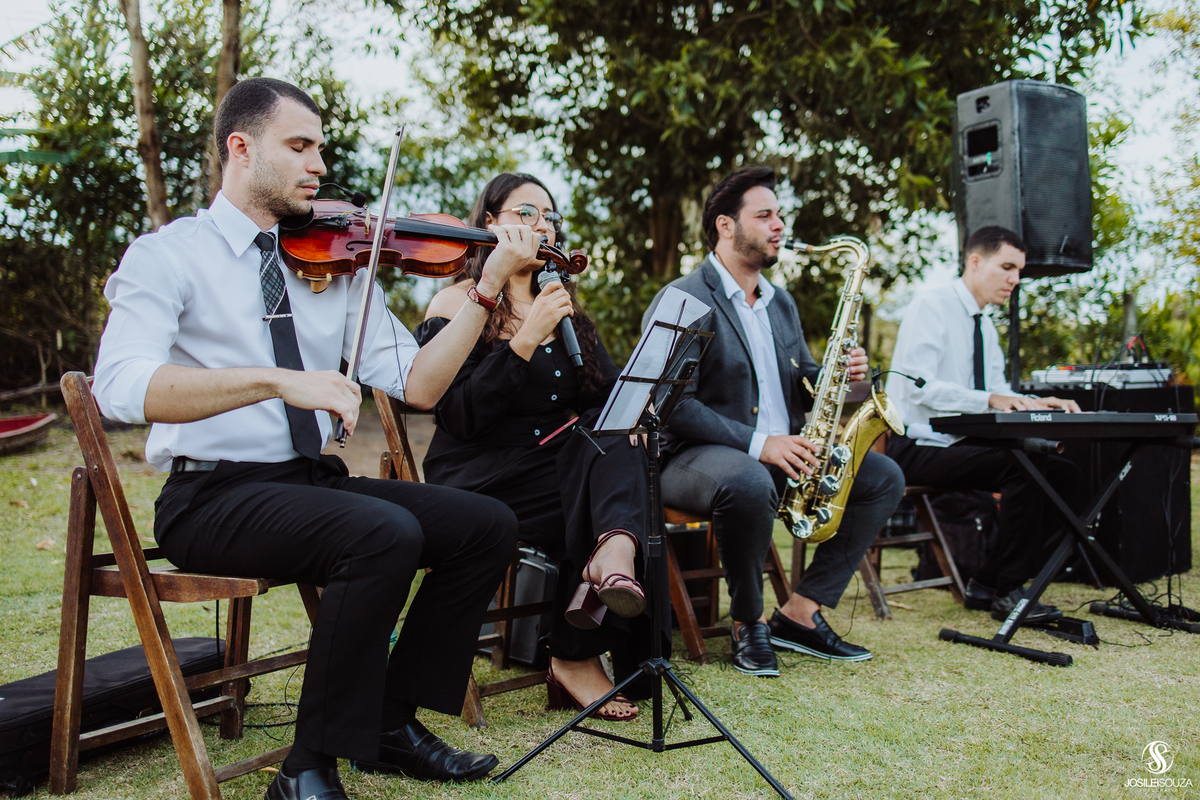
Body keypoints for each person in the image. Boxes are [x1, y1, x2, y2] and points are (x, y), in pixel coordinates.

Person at [93, 78, 534, 800]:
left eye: (320, 148)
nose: (319, 165)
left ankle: (389, 723)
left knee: (484, 524)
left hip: (306, 486)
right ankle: (305, 768)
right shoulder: (169, 255)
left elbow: (421, 385)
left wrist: (485, 288)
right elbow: (121, 386)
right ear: (240, 149)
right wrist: (277, 380)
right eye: (299, 146)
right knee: (383, 533)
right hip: (213, 496)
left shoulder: (331, 262)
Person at [643, 166, 905, 678]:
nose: (778, 225)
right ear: (725, 226)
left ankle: (800, 614)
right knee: (748, 478)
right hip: (691, 457)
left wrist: (846, 378)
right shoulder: (685, 296)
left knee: (881, 478)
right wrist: (761, 444)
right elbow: (670, 402)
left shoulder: (780, 301)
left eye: (779, 214)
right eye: (764, 215)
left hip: (779, 448)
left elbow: (802, 380)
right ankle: (749, 622)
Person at [416, 172, 653, 722]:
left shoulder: (559, 300)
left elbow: (603, 394)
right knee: (602, 485)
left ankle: (608, 564)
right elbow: (461, 416)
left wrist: (630, 418)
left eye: (548, 216)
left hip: (555, 464)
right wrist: (524, 339)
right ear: (490, 223)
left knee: (619, 441)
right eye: (526, 213)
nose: (541, 224)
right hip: (481, 471)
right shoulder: (456, 302)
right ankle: (579, 644)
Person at [885, 225, 1082, 621]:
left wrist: (1035, 402)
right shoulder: (932, 306)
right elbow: (919, 385)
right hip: (914, 444)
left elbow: (997, 390)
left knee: (1066, 476)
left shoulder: (985, 324)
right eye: (1007, 267)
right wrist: (992, 398)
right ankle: (1008, 591)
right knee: (1025, 466)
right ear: (975, 262)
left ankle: (987, 581)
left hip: (960, 444)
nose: (1015, 279)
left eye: (1020, 271)